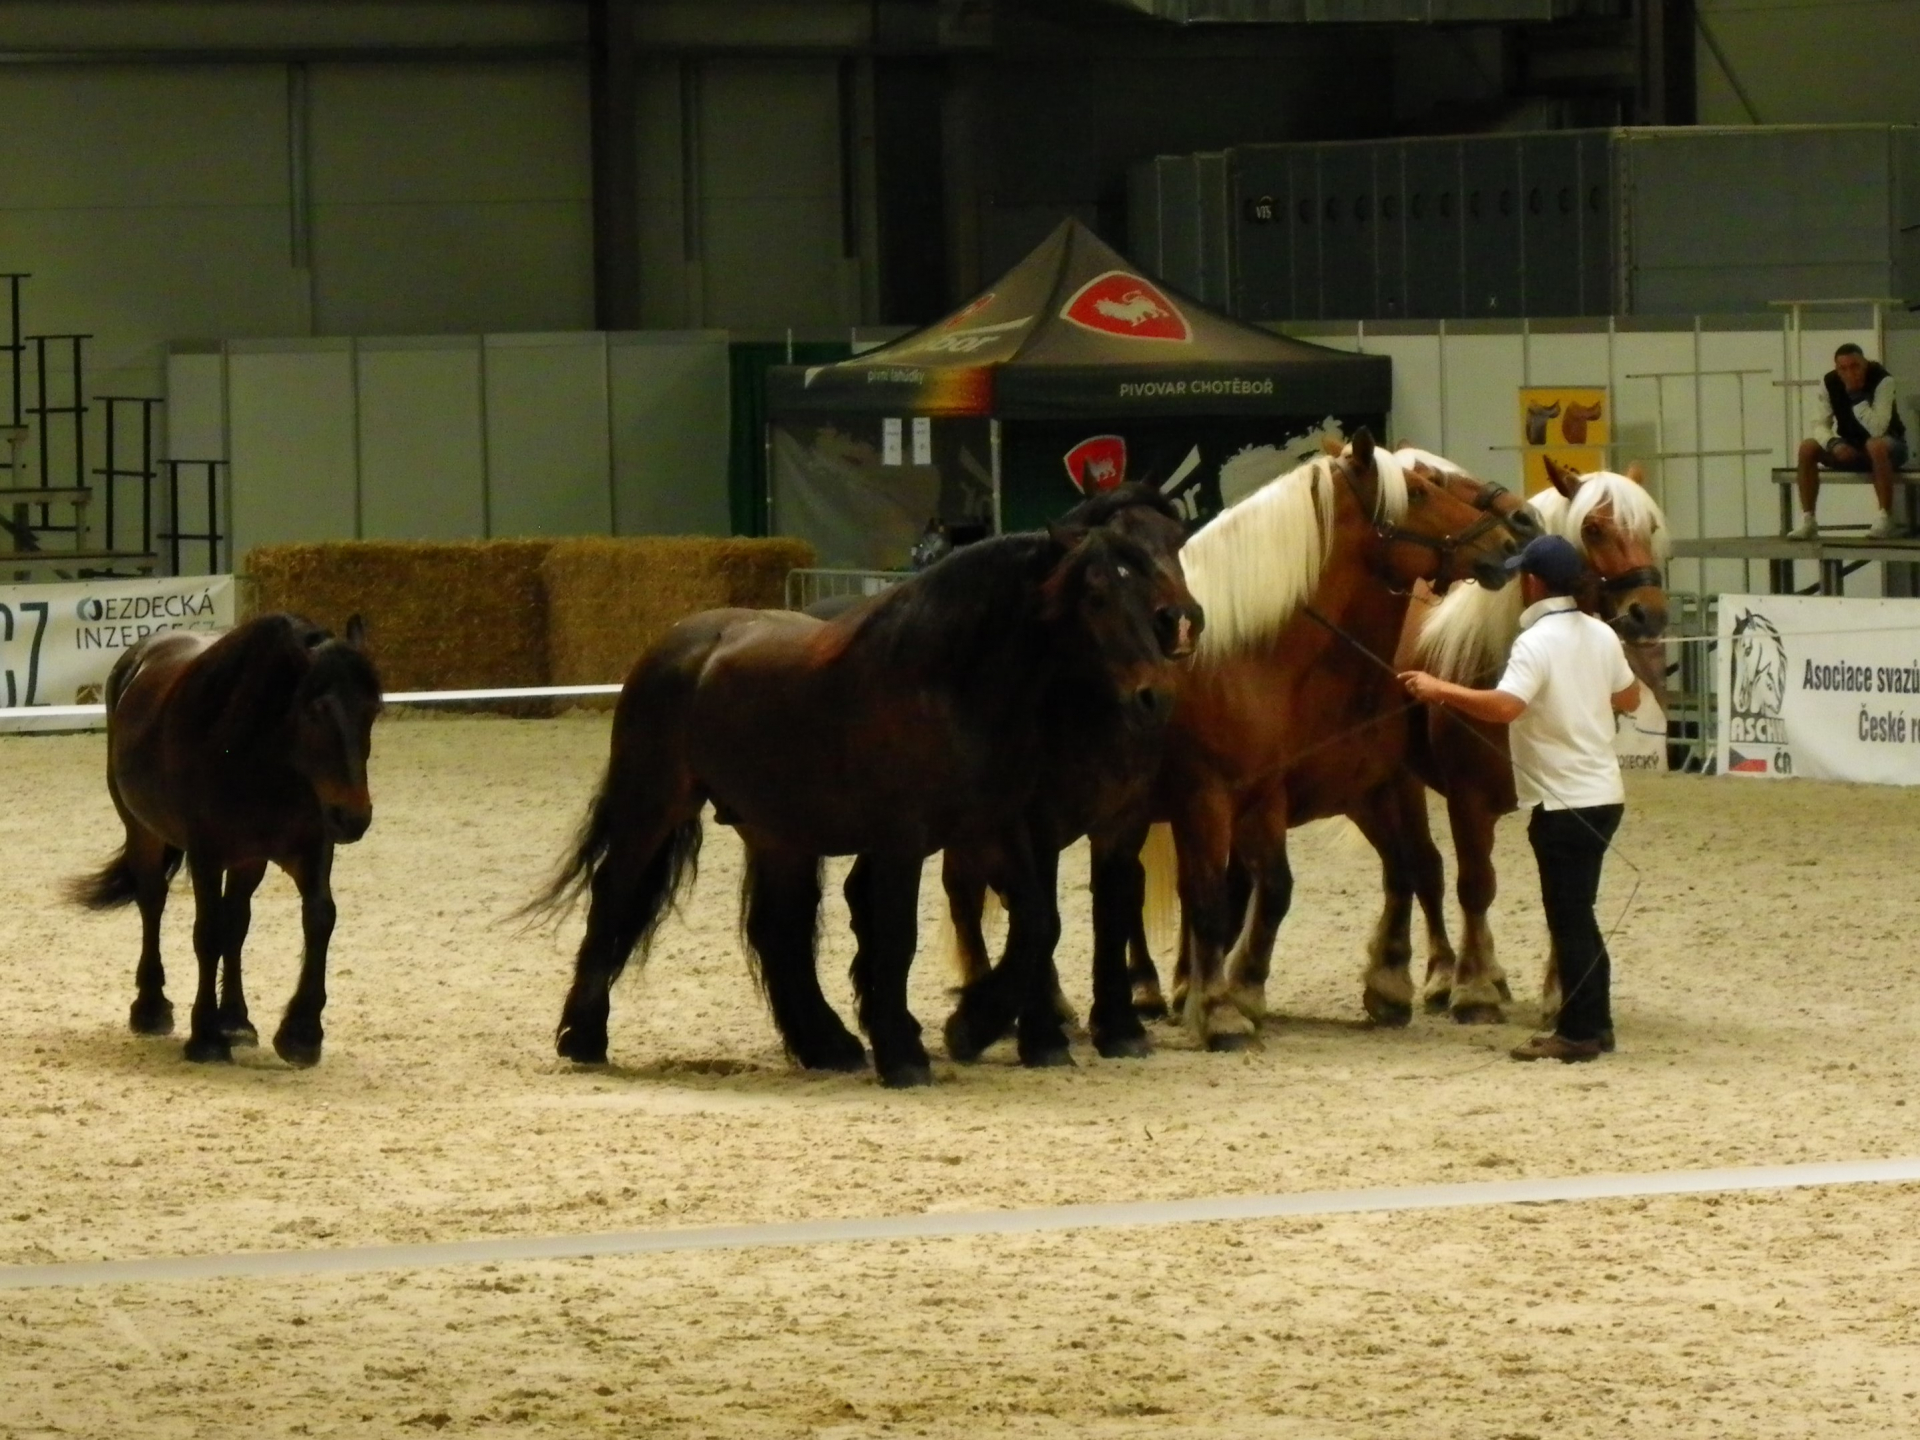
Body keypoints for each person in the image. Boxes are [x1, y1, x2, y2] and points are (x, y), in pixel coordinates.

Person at [1398, 534, 1640, 1062]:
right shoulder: (1600, 634)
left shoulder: (1534, 641)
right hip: (1604, 795)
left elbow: (1506, 707)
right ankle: (1596, 1025)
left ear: (1530, 583)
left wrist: (1442, 691)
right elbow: (1630, 697)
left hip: (1561, 801)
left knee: (1569, 918)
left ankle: (1578, 1034)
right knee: (1582, 914)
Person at [1788, 343, 1908, 540]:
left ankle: (1885, 517)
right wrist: (1833, 443)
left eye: (1855, 366)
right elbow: (1819, 424)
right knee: (1807, 447)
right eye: (1843, 369)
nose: (1850, 373)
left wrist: (1856, 396)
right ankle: (1808, 519)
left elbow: (1878, 429)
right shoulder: (1830, 382)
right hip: (1850, 446)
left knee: (1874, 444)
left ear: (1865, 364)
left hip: (1889, 446)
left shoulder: (1882, 380)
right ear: (1837, 370)